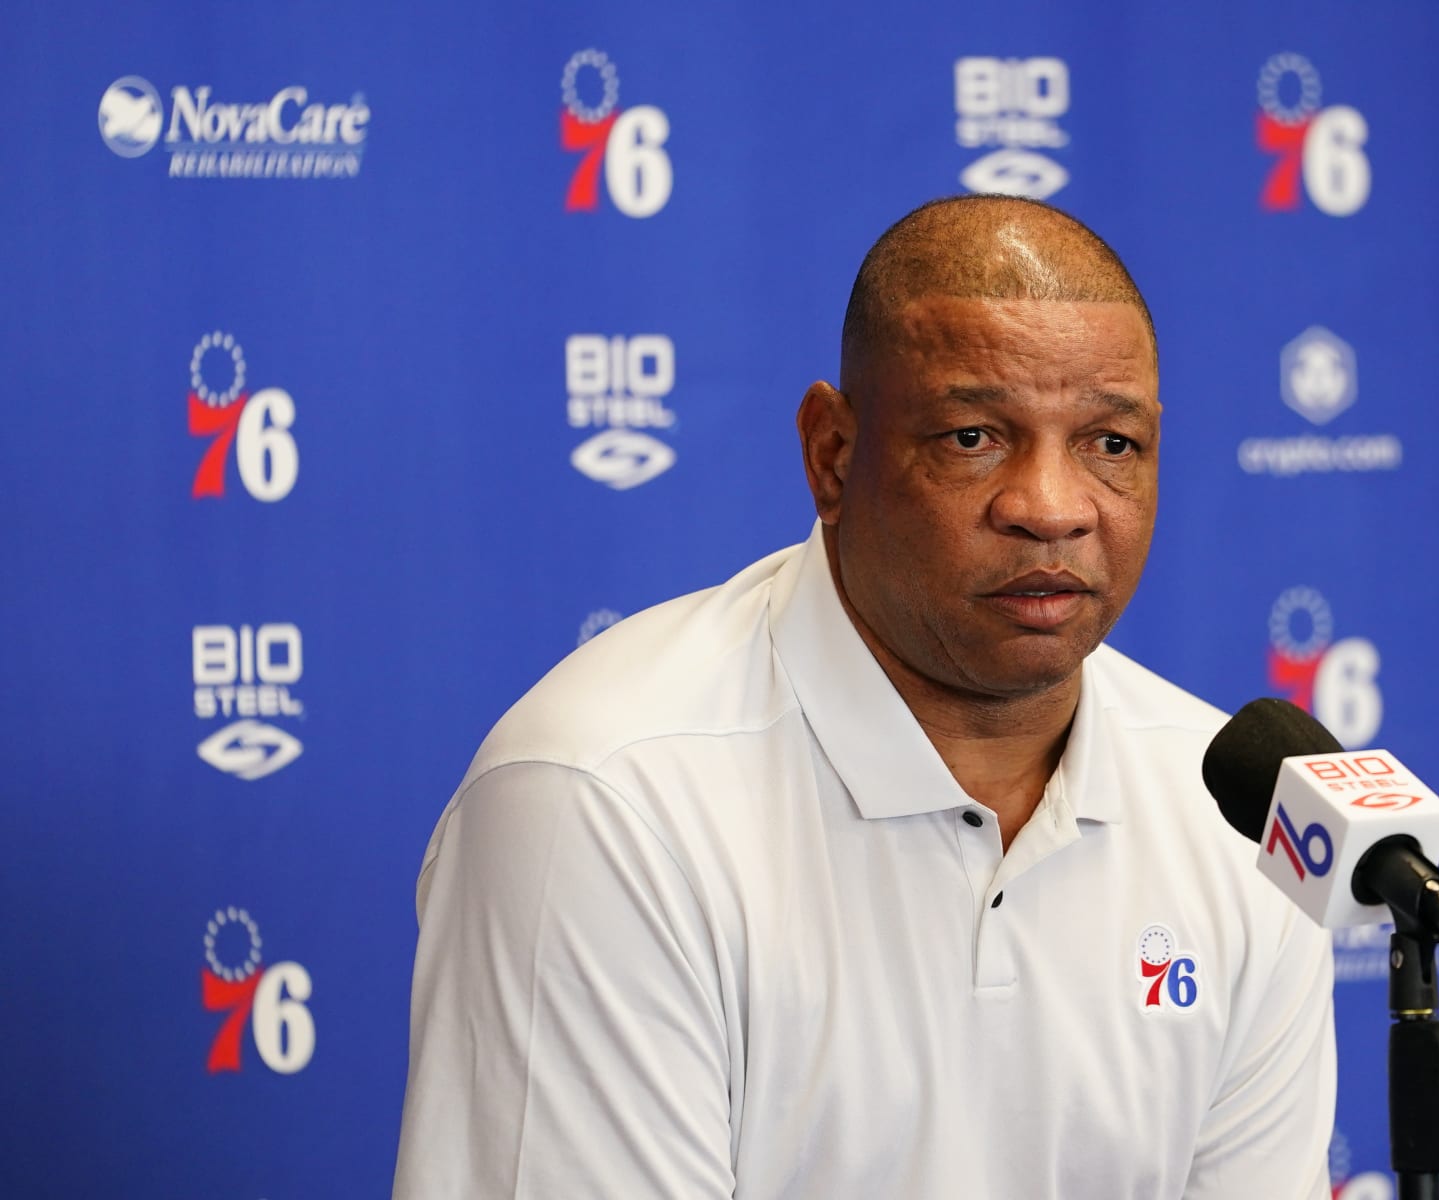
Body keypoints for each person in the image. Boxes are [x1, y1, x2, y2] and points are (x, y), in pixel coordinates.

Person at [393, 195, 1336, 1198]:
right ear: (833, 457)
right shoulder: (606, 798)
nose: (1052, 509)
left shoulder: (1237, 812)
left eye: (1111, 444)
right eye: (974, 436)